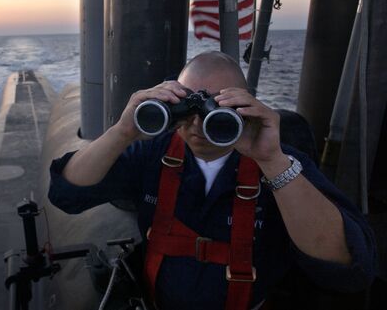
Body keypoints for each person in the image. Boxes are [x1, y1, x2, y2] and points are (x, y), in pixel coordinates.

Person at [48, 51, 376, 309]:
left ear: (242, 105)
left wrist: (272, 161)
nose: (197, 126)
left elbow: (350, 267)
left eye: (214, 110)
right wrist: (123, 130)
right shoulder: (152, 156)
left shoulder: (280, 162)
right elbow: (68, 194)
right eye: (185, 108)